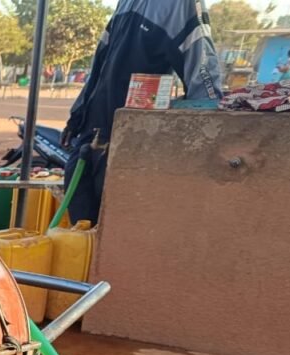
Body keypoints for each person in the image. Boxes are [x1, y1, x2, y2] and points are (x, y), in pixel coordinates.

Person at [62, 0, 222, 225]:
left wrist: (210, 135)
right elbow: (98, 68)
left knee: (112, 230)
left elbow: (202, 74)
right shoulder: (125, 3)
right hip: (91, 135)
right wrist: (76, 117)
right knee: (80, 227)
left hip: (127, 144)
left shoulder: (180, 4)